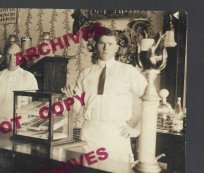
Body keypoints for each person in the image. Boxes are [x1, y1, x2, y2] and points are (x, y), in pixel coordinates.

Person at [62, 27, 147, 163]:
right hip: (89, 135)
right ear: (96, 45)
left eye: (111, 44)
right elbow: (76, 107)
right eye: (102, 43)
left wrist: (137, 129)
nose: (106, 48)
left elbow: (150, 101)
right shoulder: (86, 73)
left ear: (117, 47)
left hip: (116, 135)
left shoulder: (128, 71)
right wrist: (69, 99)